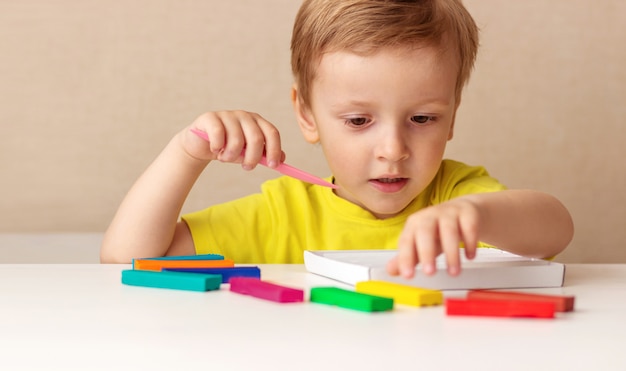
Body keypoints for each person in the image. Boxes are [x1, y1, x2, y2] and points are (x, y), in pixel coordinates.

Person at [101, 0, 574, 278]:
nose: (393, 149)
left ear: (453, 119)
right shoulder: (283, 213)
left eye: (423, 118)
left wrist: (473, 216)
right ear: (307, 116)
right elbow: (126, 259)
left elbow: (555, 228)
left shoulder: (456, 198)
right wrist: (187, 152)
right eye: (358, 121)